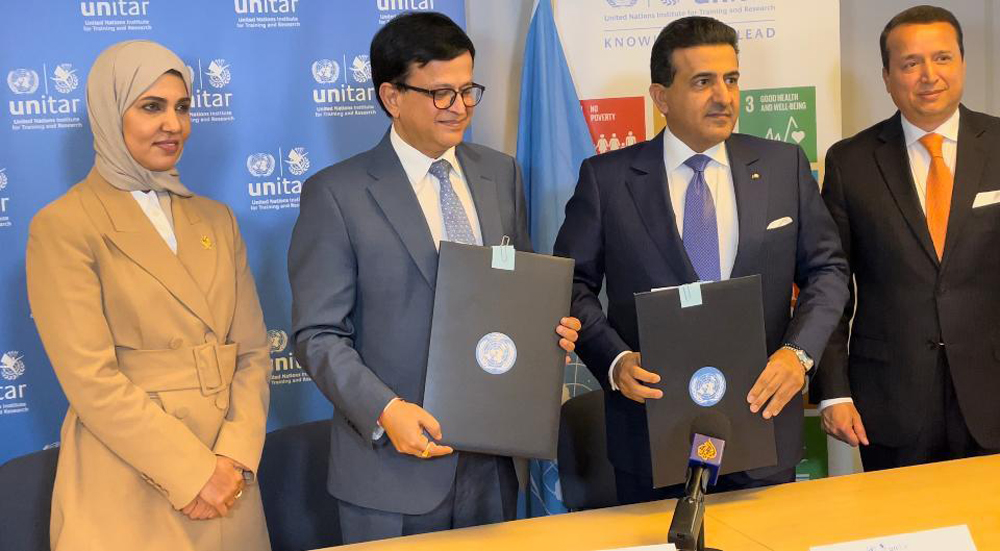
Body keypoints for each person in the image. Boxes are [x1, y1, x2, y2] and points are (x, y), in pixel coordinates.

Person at [288, 12, 580, 544]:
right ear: (392, 97)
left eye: (468, 91)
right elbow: (319, 335)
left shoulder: (500, 173)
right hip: (390, 470)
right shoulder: (336, 194)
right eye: (441, 93)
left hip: (493, 461)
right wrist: (385, 411)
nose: (461, 107)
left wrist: (548, 330)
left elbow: (517, 292)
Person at [553, 16, 849, 504]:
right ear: (661, 97)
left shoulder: (783, 166)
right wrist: (615, 360)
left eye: (731, 79)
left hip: (763, 425)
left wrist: (798, 354)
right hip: (652, 433)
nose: (723, 96)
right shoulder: (607, 180)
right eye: (702, 82)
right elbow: (570, 284)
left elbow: (828, 271)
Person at [26, 40, 272, 551]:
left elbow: (251, 354)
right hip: (130, 481)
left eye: (182, 107)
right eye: (152, 106)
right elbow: (91, 381)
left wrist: (234, 458)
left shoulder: (218, 220)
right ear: (110, 110)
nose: (173, 124)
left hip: (229, 484)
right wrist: (192, 473)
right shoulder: (64, 226)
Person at [812, 5, 1000, 470]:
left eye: (942, 58)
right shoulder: (850, 162)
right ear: (887, 77)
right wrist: (834, 391)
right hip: (891, 400)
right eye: (911, 63)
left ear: (962, 63)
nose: (929, 75)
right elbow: (830, 284)